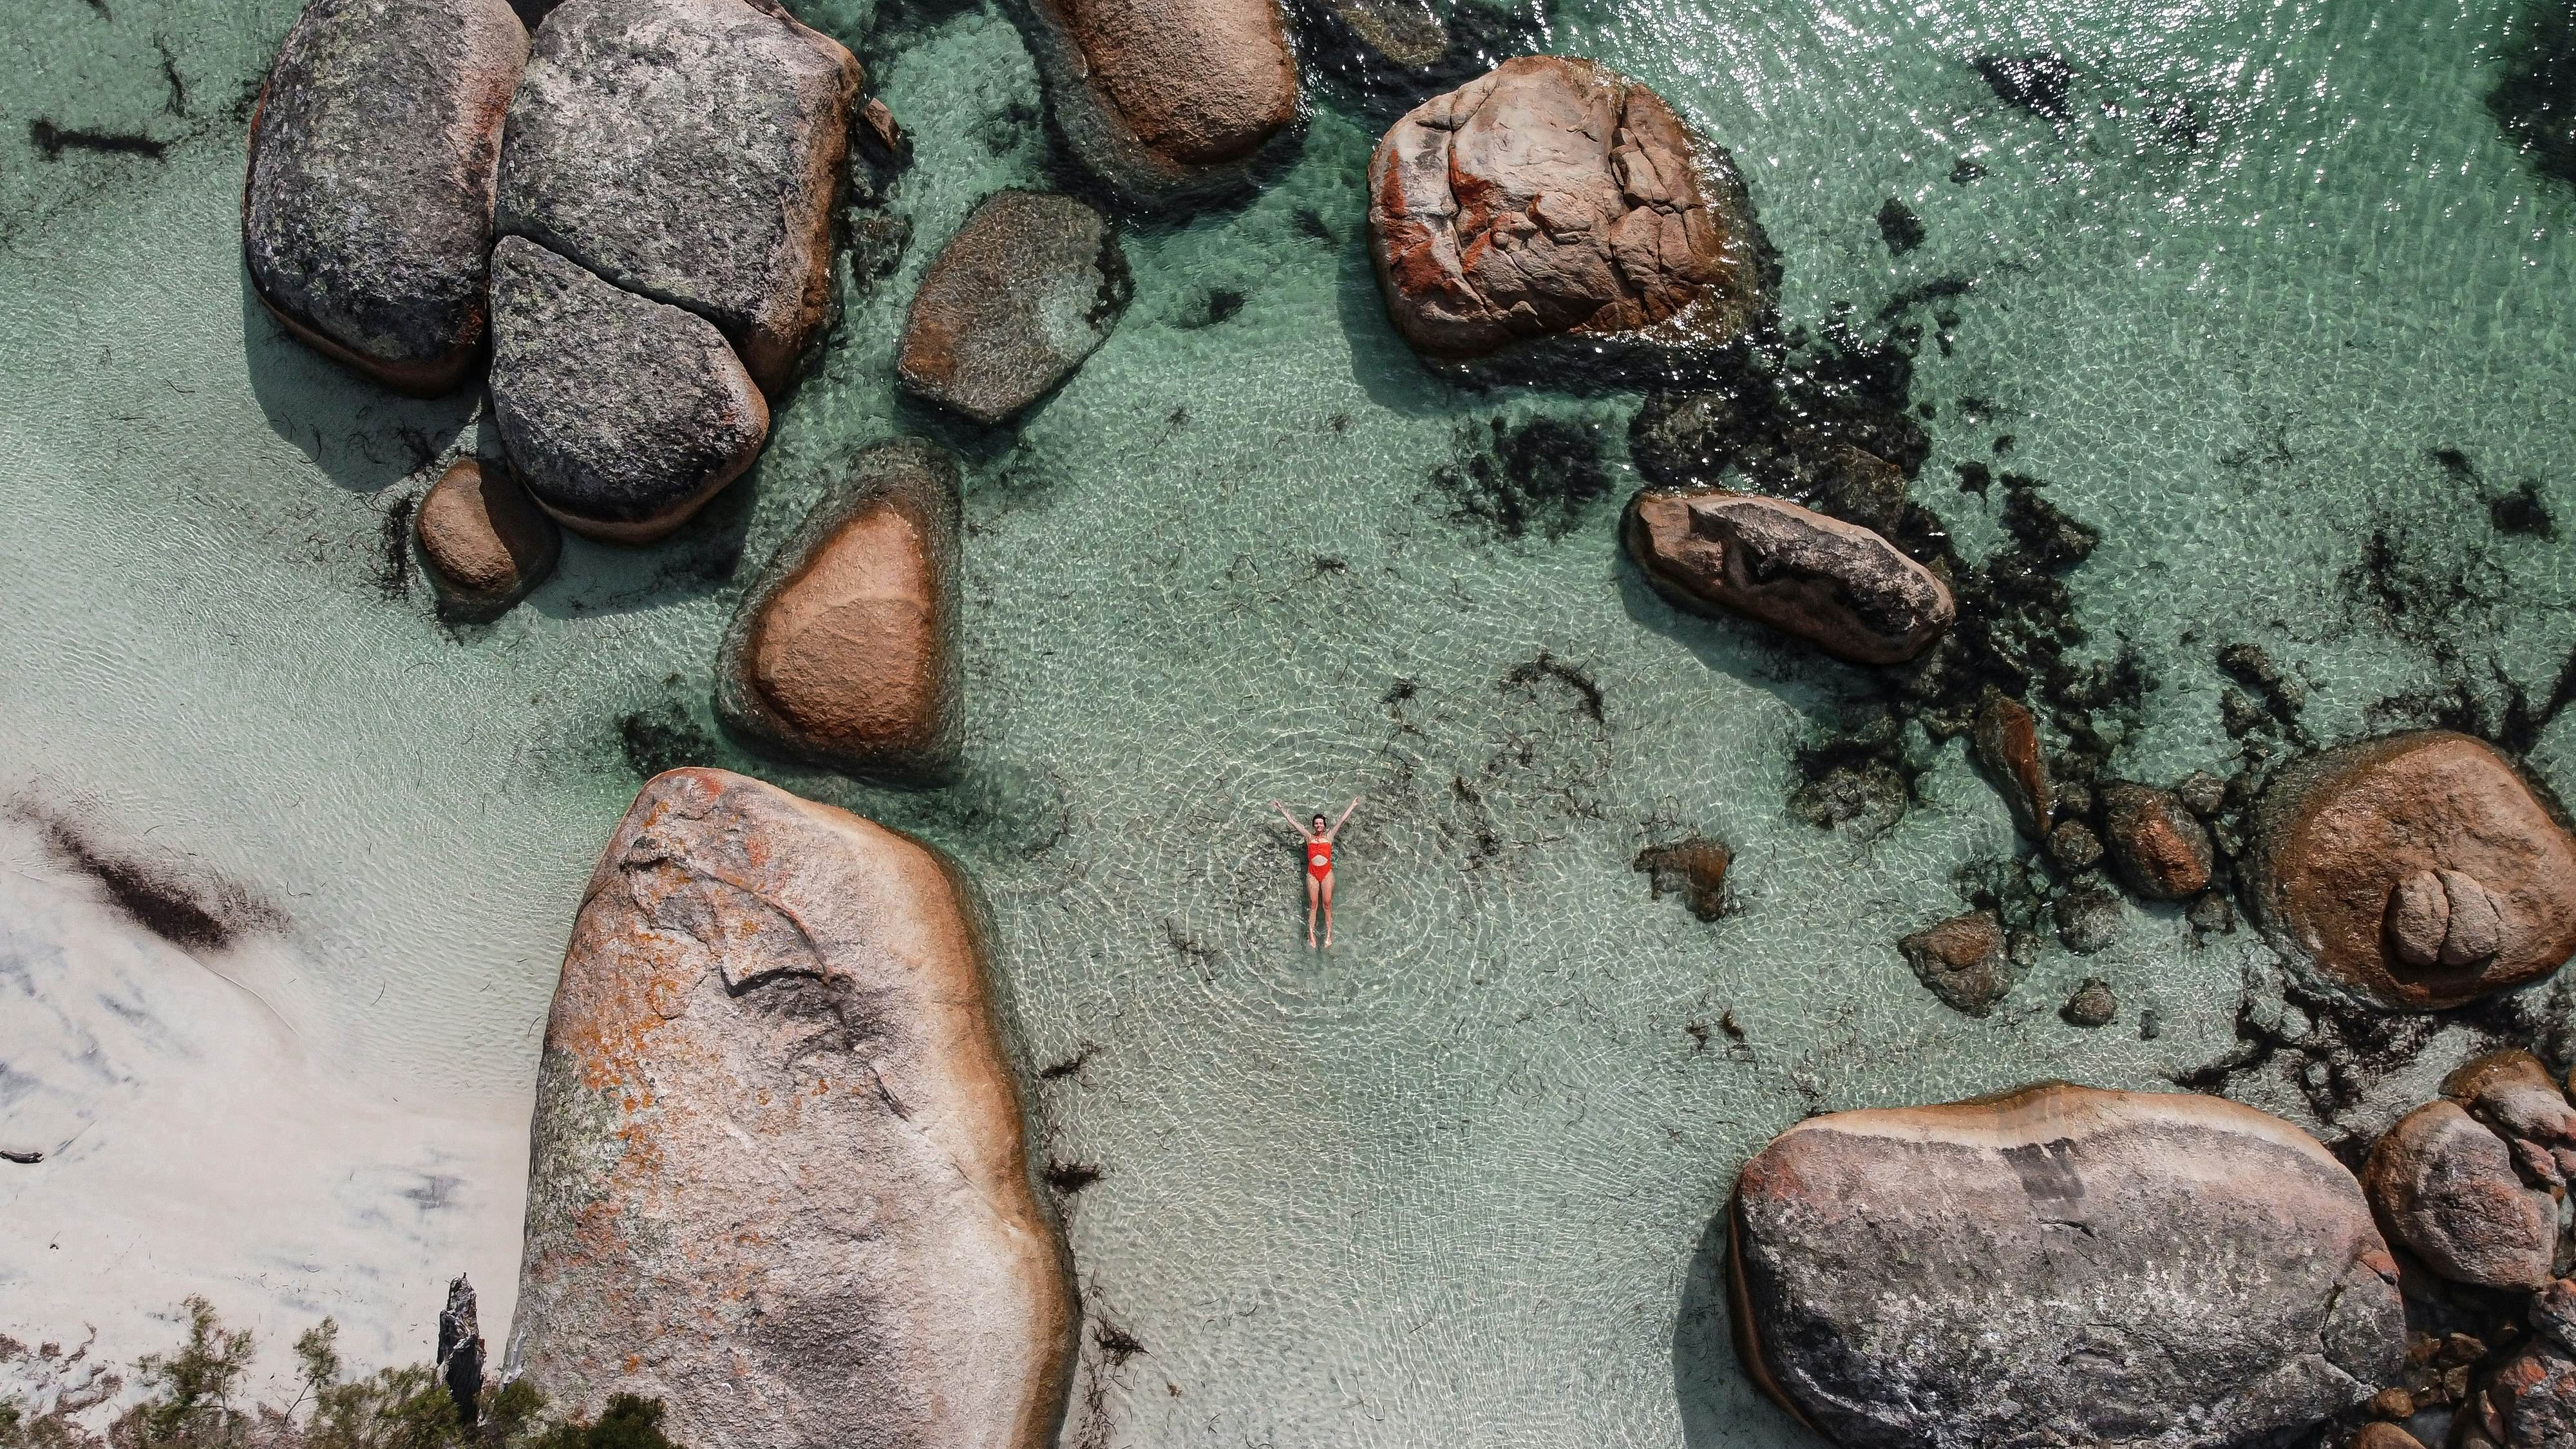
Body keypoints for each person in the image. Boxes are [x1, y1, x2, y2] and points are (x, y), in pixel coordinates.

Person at [1272, 797, 1359, 949]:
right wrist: (1282, 810)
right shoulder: (1309, 837)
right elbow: (1294, 823)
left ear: (1325, 825)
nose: (1318, 825)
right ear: (1314, 825)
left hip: (1327, 873)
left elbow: (1342, 820)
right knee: (1313, 904)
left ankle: (1329, 935)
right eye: (1316, 823)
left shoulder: (1330, 836)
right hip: (1312, 873)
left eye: (1321, 823)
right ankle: (1311, 934)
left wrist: (1352, 805)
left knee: (1327, 904)